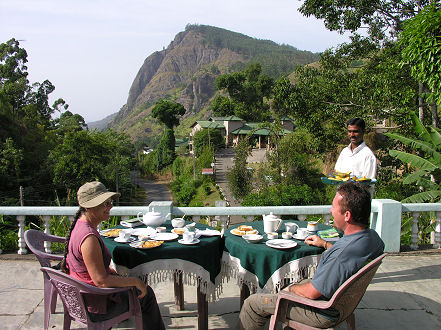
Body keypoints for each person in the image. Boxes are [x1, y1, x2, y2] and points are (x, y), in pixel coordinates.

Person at [237, 183, 384, 329]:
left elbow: (312, 292)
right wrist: (325, 244)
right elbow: (349, 257)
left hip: (322, 311)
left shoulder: (340, 255)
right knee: (291, 283)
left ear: (347, 215)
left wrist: (290, 290)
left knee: (252, 304)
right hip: (342, 303)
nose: (331, 210)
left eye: (334, 207)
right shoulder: (372, 239)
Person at [60, 181, 165, 330]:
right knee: (146, 294)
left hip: (86, 298)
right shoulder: (88, 237)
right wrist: (135, 282)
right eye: (105, 203)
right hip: (96, 306)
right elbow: (101, 281)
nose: (110, 206)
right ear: (88, 207)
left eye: (109, 202)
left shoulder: (80, 225)